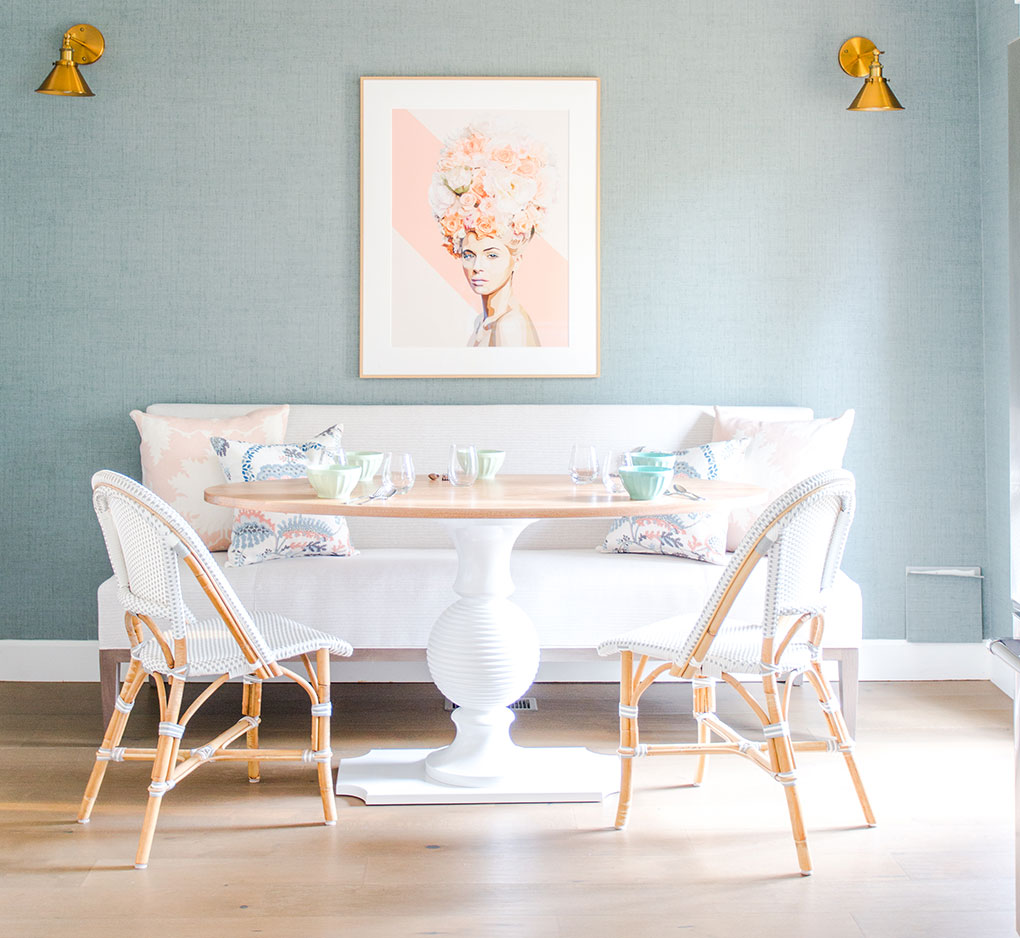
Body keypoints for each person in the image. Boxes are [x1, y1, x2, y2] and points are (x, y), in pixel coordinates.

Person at [428, 124, 555, 347]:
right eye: (468, 255)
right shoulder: (483, 321)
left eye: (492, 255)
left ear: (517, 259)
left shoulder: (509, 325)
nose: (477, 266)